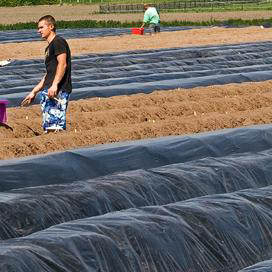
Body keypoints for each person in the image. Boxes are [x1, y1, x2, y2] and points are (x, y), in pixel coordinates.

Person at [21, 15, 72, 133]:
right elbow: (49, 74)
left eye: (41, 27)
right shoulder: (48, 48)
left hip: (57, 91)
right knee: (49, 126)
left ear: (51, 26)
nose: (39, 31)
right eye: (38, 28)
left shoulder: (58, 42)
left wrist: (55, 85)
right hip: (49, 90)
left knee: (55, 128)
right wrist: (34, 91)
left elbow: (62, 64)